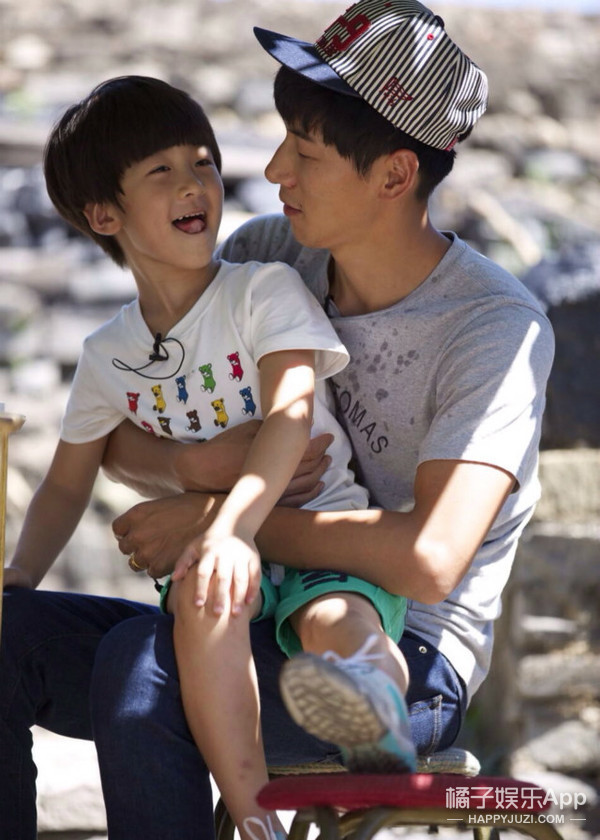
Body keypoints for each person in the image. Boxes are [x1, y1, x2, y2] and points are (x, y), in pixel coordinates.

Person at [0, 1, 554, 839]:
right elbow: (131, 424)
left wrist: (214, 519)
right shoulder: (272, 252)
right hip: (238, 603)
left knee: (140, 667)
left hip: (402, 661)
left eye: (304, 150)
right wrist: (191, 472)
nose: (271, 169)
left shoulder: (495, 330)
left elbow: (429, 559)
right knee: (10, 638)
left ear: (394, 175)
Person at [3, 73, 417, 840]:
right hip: (218, 555)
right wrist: (21, 574)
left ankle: (379, 714)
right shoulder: (108, 355)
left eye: (203, 162)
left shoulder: (262, 291)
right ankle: (255, 817)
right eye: (162, 171)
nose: (194, 183)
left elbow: (290, 417)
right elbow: (65, 483)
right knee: (200, 600)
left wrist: (231, 526)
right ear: (104, 214)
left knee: (337, 620)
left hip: (317, 534)